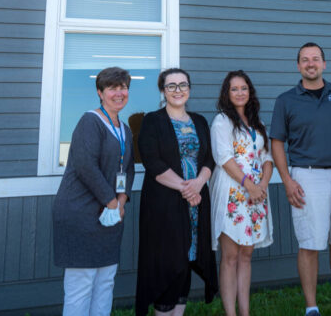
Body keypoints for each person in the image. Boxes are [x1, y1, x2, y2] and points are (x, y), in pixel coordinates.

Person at [270, 42, 331, 316]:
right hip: (305, 177)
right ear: (298, 66)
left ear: (324, 64)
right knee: (309, 243)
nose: (311, 63)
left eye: (316, 59)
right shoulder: (286, 100)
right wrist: (286, 180)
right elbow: (276, 143)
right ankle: (312, 308)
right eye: (305, 60)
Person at [52, 67, 135, 316]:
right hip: (80, 213)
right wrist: (112, 202)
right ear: (100, 92)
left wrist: (121, 200)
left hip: (110, 215)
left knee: (105, 282)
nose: (119, 93)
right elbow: (85, 166)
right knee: (81, 285)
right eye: (112, 88)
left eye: (123, 87)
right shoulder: (90, 121)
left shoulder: (125, 129)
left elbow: (127, 169)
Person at [135, 68, 218, 316]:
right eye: (171, 85)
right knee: (168, 263)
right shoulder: (152, 120)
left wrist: (199, 183)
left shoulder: (200, 121)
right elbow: (154, 163)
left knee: (186, 261)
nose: (177, 90)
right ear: (163, 90)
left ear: (189, 89)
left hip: (196, 204)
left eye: (182, 85)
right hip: (164, 205)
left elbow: (210, 158)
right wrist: (188, 189)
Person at [210, 70, 274, 316]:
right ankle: (231, 313)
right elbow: (224, 158)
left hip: (257, 194)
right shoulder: (221, 121)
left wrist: (262, 186)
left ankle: (245, 312)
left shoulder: (258, 122)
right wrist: (249, 185)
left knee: (247, 254)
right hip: (233, 193)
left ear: (250, 92)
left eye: (243, 88)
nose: (239, 92)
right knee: (231, 256)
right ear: (227, 93)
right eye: (234, 88)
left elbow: (267, 157)